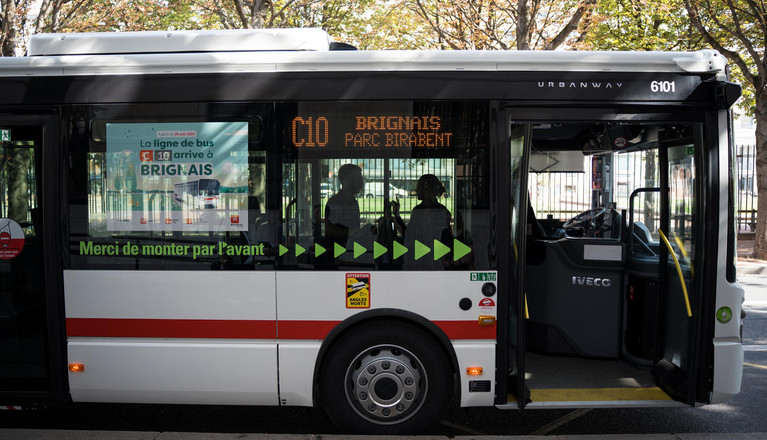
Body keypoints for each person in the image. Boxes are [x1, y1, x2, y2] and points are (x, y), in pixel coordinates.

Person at [403, 174, 451, 269]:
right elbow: (409, 235)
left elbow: (446, 240)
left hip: (435, 264)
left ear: (427, 190)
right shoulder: (417, 210)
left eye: (419, 187)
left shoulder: (441, 212)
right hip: (417, 263)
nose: (416, 191)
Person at [324, 164, 364, 249]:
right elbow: (329, 230)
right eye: (358, 178)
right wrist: (351, 232)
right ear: (348, 179)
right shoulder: (334, 203)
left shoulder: (354, 203)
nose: (361, 182)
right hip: (339, 256)